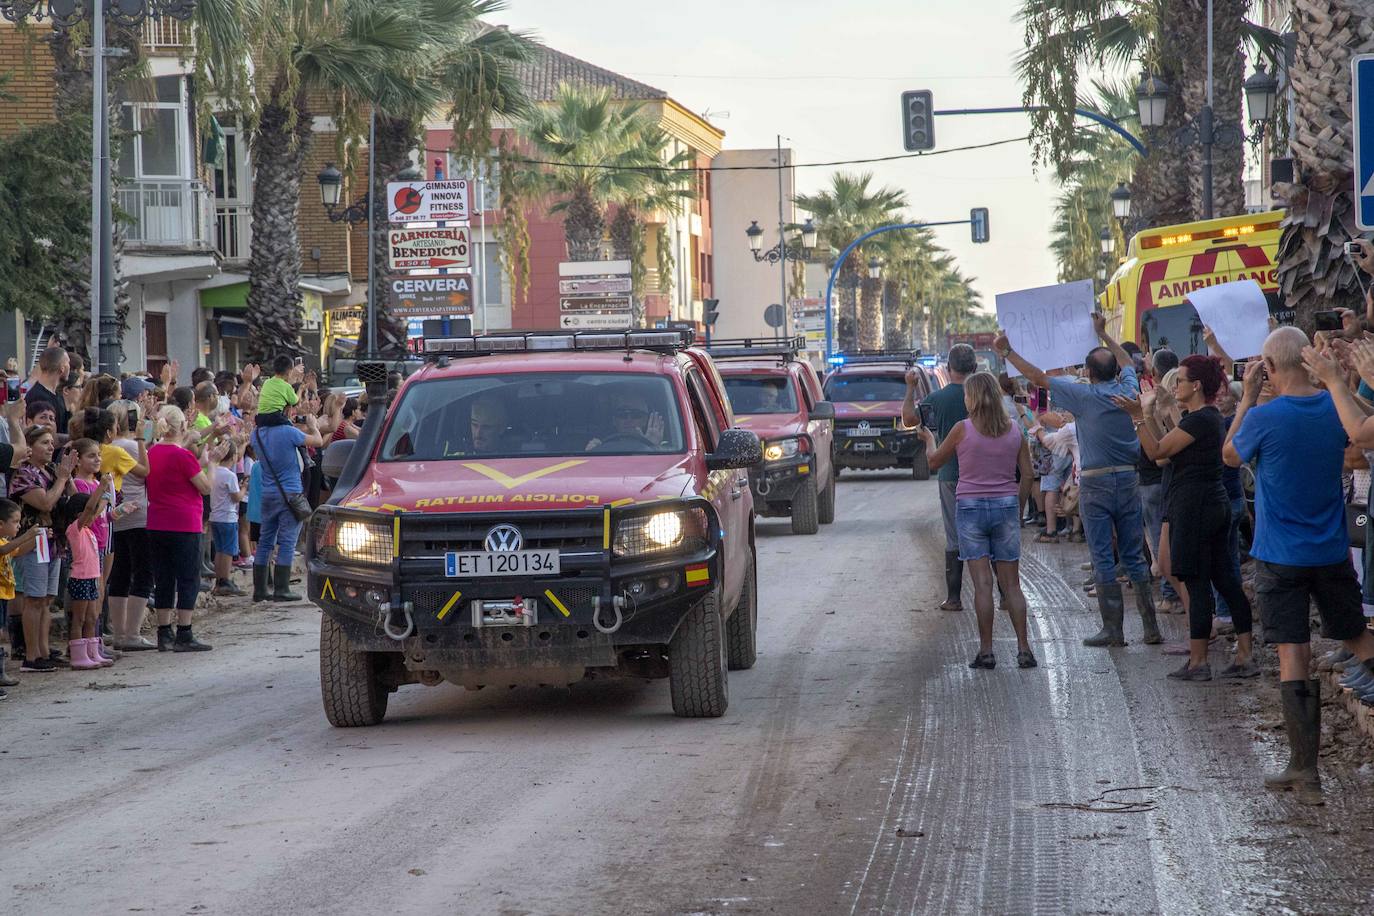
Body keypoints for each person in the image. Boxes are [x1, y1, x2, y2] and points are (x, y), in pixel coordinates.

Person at [1241, 330, 1374, 803]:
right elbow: (1358, 443)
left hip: (1280, 555)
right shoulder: (1332, 407)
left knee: (1292, 653)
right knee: (1357, 636)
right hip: (1331, 549)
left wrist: (1247, 397)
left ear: (1269, 368)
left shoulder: (1263, 416)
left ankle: (1305, 770)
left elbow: (1230, 454)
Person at [997, 312, 1158, 647]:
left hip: (1096, 483)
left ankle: (1113, 631)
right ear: (1114, 371)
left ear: (1087, 373)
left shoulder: (1084, 397)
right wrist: (1104, 336)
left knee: (1102, 555)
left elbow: (1038, 378)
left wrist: (1007, 352)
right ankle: (1150, 628)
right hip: (1129, 479)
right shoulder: (1128, 389)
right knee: (1133, 554)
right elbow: (1129, 361)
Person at [1116, 355, 1256, 681]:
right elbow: (1165, 445)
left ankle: (1199, 661)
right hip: (1208, 504)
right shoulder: (1201, 418)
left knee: (1197, 582)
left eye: (1179, 380)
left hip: (1196, 508)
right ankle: (1244, 655)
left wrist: (1137, 417)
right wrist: (1150, 413)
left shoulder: (1200, 420)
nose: (1175, 385)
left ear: (1196, 386)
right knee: (1224, 580)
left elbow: (1155, 452)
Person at [917, 372, 1037, 669]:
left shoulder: (962, 430)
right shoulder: (1014, 432)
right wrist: (1017, 509)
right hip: (1005, 506)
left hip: (970, 507)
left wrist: (929, 439)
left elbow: (934, 462)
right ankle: (1024, 650)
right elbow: (1028, 475)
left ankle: (986, 652)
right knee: (1012, 585)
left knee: (982, 584)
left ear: (972, 399)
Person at [904, 343, 977, 612]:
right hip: (986, 475)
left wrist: (910, 388)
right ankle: (1003, 596)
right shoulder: (985, 396)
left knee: (955, 536)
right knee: (988, 534)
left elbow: (910, 419)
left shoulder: (937, 399)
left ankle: (955, 598)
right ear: (975, 368)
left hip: (950, 474)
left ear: (948, 369)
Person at [146, 405, 214, 652]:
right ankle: (184, 631)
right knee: (187, 577)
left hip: (156, 521)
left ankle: (164, 632)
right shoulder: (183, 456)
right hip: (184, 522)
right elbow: (205, 487)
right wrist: (212, 464)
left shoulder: (152, 452)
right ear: (183, 426)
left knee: (164, 577)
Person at [11, 426, 75, 671]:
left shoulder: (51, 470)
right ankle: (31, 655)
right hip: (34, 540)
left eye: (51, 443)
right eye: (45, 443)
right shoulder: (23, 474)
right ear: (30, 446)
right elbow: (46, 503)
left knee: (46, 599)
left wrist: (66, 477)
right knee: (34, 598)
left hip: (53, 541)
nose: (51, 447)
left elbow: (74, 499)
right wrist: (60, 478)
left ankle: (44, 650)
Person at [252, 405, 324, 602]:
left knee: (265, 540)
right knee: (287, 541)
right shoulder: (289, 432)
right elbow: (317, 441)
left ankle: (260, 589)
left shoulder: (256, 434)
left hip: (268, 493)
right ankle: (281, 588)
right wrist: (313, 425)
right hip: (290, 493)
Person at [106, 401, 155, 650]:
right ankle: (132, 633)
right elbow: (149, 472)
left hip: (118, 516)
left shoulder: (108, 447)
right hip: (139, 514)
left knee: (120, 573)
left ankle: (119, 632)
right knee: (143, 573)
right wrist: (143, 439)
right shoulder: (129, 446)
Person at [59, 484, 113, 670]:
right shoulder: (75, 529)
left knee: (91, 618)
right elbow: (90, 508)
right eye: (89, 514)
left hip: (91, 578)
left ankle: (92, 652)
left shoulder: (89, 530)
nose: (93, 517)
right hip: (80, 578)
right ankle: (78, 656)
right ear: (78, 514)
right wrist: (102, 488)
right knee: (79, 618)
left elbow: (94, 510)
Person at [0, 498, 44, 696]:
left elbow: (17, 551)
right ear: (1, 524)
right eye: (15, 522)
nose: (18, 525)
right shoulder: (2, 543)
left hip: (4, 594)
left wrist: (35, 539)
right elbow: (4, 551)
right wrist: (26, 534)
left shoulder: (6, 541)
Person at [209, 438, 245, 596]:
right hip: (227, 517)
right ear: (233, 456)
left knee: (219, 549)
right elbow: (236, 497)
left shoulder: (214, 471)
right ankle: (225, 579)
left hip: (215, 516)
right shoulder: (230, 476)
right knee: (228, 550)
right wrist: (244, 488)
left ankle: (219, 579)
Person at [587, 391, 665, 451]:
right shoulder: (601, 448)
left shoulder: (670, 449)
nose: (628, 419)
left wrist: (653, 447)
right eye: (622, 415)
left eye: (636, 415)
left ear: (645, 420)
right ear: (614, 420)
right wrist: (592, 453)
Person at [25, 346, 70, 434]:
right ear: (62, 368)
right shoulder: (38, 396)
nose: (70, 367)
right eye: (68, 362)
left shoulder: (57, 395)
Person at [255, 355, 301, 427]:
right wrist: (300, 390)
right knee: (292, 428)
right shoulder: (286, 386)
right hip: (275, 417)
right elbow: (295, 401)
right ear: (289, 372)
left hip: (260, 417)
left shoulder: (267, 382)